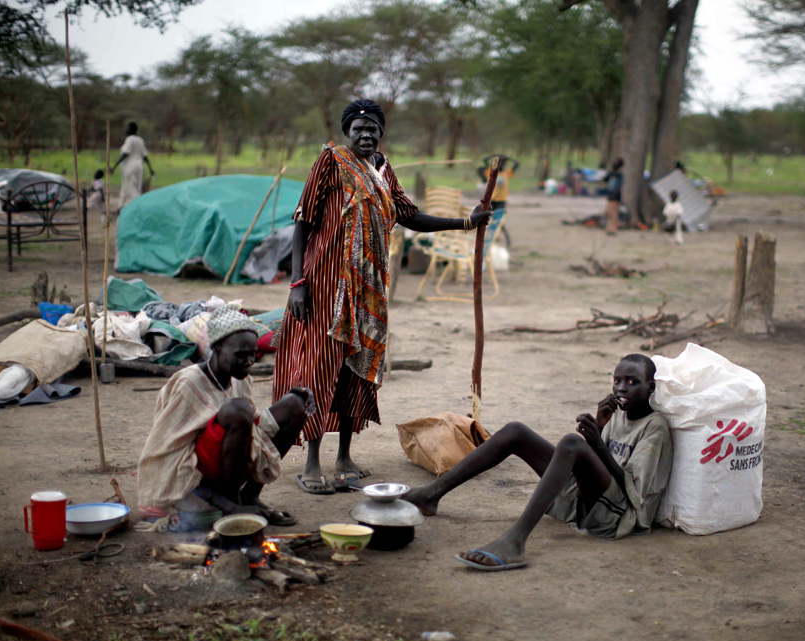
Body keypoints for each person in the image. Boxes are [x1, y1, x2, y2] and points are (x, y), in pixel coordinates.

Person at [275, 99, 492, 496]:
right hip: (326, 284)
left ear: (381, 132)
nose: (365, 134)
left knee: (359, 367)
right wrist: (297, 283)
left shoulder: (383, 170)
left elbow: (410, 216)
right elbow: (303, 221)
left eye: (372, 128)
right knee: (321, 367)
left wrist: (465, 222)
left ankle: (344, 457)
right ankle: (311, 462)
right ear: (347, 132)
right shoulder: (331, 162)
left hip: (369, 289)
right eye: (358, 128)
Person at [402, 354, 673, 571]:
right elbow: (595, 468)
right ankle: (431, 494)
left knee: (570, 442)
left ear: (651, 387)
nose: (622, 388)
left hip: (618, 517)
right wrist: (599, 429)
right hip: (589, 503)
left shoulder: (655, 427)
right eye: (617, 380)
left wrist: (597, 444)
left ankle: (515, 541)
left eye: (633, 382)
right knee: (515, 431)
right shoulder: (616, 414)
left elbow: (632, 492)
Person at [137, 304, 313, 529]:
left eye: (253, 355)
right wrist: (228, 506)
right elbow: (168, 455)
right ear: (217, 348)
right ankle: (234, 505)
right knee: (238, 410)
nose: (250, 362)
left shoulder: (240, 378)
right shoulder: (188, 383)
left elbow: (253, 424)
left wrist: (294, 399)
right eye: (241, 355)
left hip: (226, 463)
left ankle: (250, 497)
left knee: (295, 405)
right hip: (195, 478)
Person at [110, 122, 154, 210]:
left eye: (127, 128)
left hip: (130, 166)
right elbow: (145, 156)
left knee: (129, 186)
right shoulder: (140, 140)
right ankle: (121, 205)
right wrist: (150, 169)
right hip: (139, 166)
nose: (125, 129)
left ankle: (138, 205)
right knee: (135, 187)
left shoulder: (129, 139)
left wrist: (114, 166)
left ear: (130, 129)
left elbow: (125, 153)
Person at [479, 154, 519, 245]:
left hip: (501, 201)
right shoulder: (490, 171)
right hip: (491, 200)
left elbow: (517, 164)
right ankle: (487, 239)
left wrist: (508, 158)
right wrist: (493, 156)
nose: (501, 165)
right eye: (499, 163)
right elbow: (484, 159)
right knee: (487, 220)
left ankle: (505, 240)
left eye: (503, 164)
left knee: (499, 221)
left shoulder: (507, 173)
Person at [604, 157, 624, 235]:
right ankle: (611, 227)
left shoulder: (619, 175)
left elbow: (619, 185)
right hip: (610, 195)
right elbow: (605, 179)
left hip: (615, 195)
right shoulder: (611, 173)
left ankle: (613, 229)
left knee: (613, 212)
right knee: (608, 212)